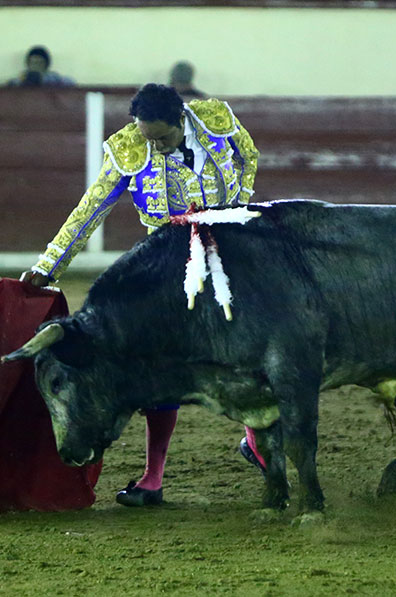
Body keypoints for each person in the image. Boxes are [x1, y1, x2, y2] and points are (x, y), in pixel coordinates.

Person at [20, 83, 262, 507]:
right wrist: (48, 266)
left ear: (181, 119)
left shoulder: (215, 120)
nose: (155, 144)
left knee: (253, 347)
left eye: (163, 137)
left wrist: (237, 208)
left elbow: (249, 158)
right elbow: (89, 209)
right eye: (147, 135)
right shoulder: (130, 149)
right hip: (168, 262)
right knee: (157, 366)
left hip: (232, 247)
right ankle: (153, 478)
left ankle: (255, 442)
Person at [8, 46, 75, 87]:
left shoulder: (54, 77)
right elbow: (11, 84)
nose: (36, 65)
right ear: (28, 64)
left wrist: (43, 79)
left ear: (46, 64)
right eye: (33, 62)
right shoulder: (23, 78)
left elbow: (71, 82)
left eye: (39, 62)